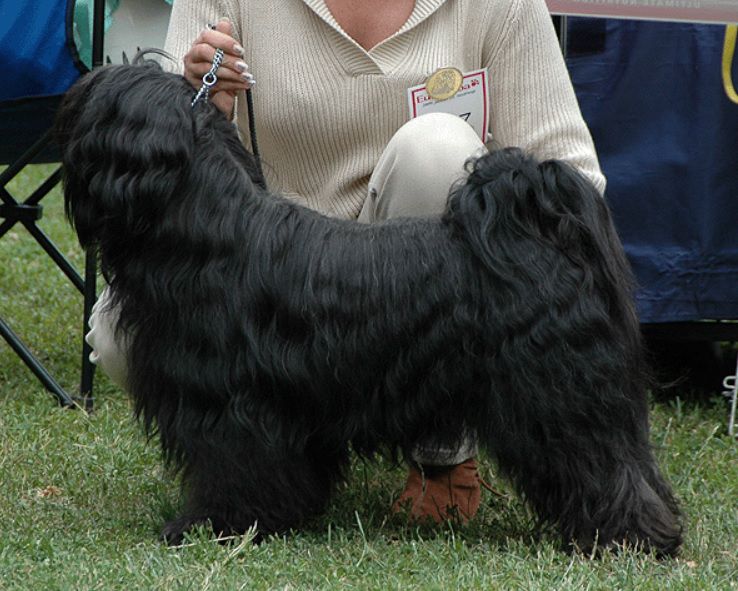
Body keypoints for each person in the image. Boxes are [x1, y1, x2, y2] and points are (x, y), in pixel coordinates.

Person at [88, 0, 605, 525]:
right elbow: (166, 157)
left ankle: (443, 458)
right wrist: (208, 102)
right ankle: (281, 465)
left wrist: (515, 235)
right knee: (117, 334)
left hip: (428, 275)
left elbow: (571, 170)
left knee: (437, 148)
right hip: (278, 265)